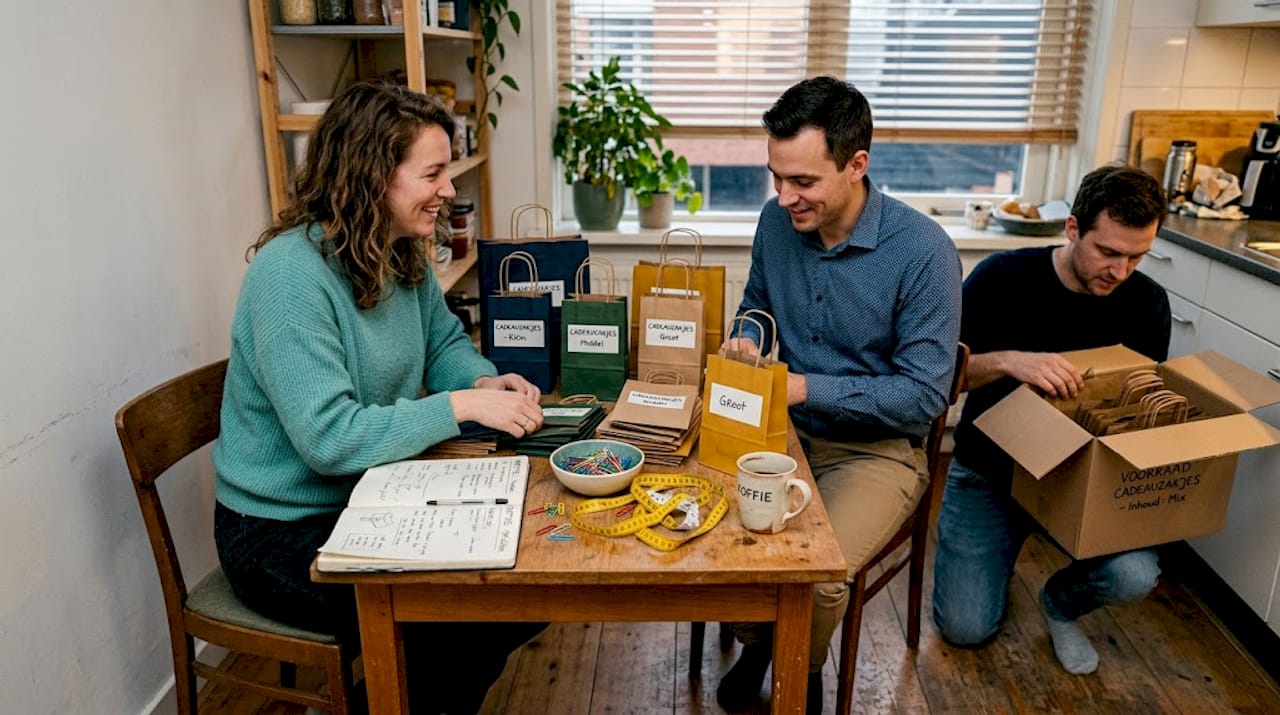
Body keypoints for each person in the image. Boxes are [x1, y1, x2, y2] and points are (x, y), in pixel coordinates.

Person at [211, 81, 547, 713]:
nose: (449, 189)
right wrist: (459, 408)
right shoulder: (289, 277)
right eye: (434, 173)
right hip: (279, 532)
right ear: (372, 176)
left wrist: (478, 381)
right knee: (472, 611)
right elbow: (330, 440)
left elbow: (443, 342)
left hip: (374, 495)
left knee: (523, 589)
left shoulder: (399, 254)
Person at [716, 76, 963, 714]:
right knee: (722, 547)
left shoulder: (924, 253)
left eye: (803, 182)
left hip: (876, 452)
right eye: (777, 177)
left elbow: (922, 397)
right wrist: (746, 339)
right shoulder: (776, 223)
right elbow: (755, 307)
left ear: (857, 165)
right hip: (781, 434)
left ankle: (796, 665)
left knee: (817, 579)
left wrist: (804, 385)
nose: (784, 197)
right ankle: (773, 647)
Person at [932, 164, 1170, 676]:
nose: (1121, 271)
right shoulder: (1002, 276)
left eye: (1137, 256)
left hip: (1082, 483)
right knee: (965, 630)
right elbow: (942, 378)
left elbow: (1143, 407)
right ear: (1072, 228)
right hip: (990, 474)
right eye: (1107, 252)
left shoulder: (1148, 302)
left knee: (1133, 574)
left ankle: (1061, 603)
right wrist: (1009, 361)